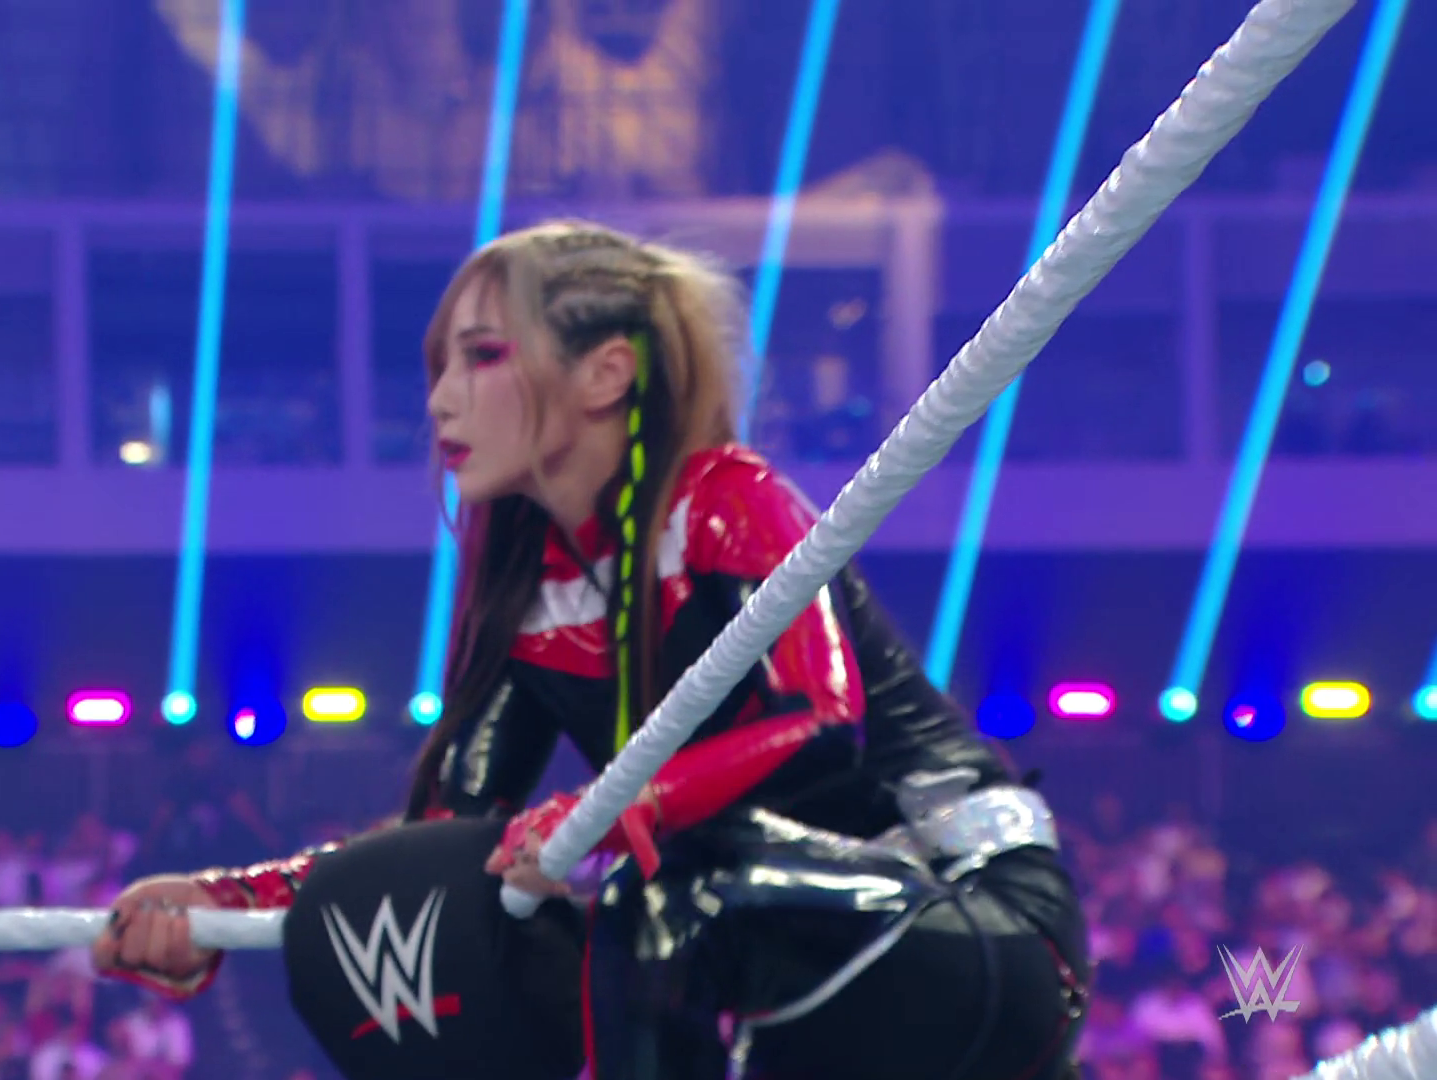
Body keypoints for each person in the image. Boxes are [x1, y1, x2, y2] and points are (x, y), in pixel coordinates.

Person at [92, 220, 1090, 1080]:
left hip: (970, 913)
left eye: (483, 356)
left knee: (660, 896)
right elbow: (438, 845)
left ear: (606, 373)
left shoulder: (728, 501)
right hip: (791, 957)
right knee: (537, 931)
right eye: (441, 364)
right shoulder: (529, 595)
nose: (439, 399)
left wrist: (616, 809)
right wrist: (224, 902)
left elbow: (820, 723)